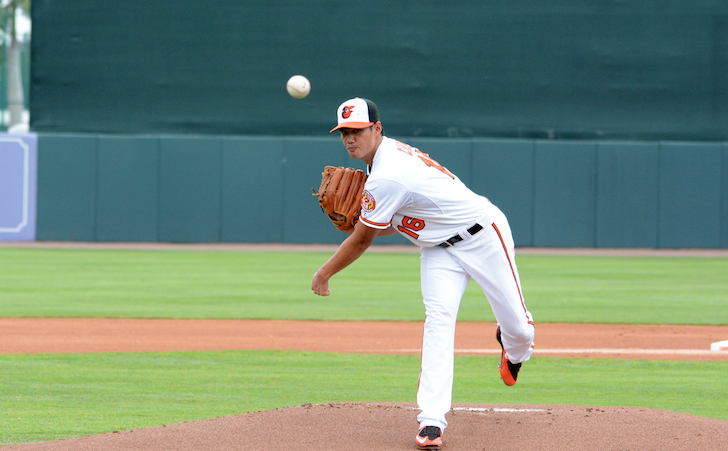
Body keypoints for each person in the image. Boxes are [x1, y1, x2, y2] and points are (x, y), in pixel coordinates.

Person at [311, 97, 535, 450]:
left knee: (520, 328)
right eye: (344, 133)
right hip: (437, 250)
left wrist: (324, 272)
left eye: (357, 131)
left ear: (377, 129)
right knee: (438, 322)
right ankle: (432, 420)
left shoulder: (388, 174)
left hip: (483, 236)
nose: (350, 139)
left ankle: (515, 350)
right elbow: (393, 223)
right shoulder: (382, 167)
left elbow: (363, 239)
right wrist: (364, 220)